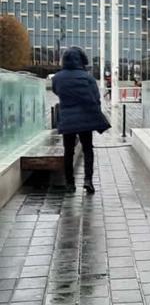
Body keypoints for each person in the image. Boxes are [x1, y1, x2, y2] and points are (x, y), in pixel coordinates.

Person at [52, 47, 111, 194]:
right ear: (82, 60)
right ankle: (88, 180)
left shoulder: (57, 78)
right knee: (88, 149)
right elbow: (96, 98)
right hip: (86, 119)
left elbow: (56, 91)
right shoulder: (87, 77)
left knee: (69, 151)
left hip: (68, 119)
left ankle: (70, 183)